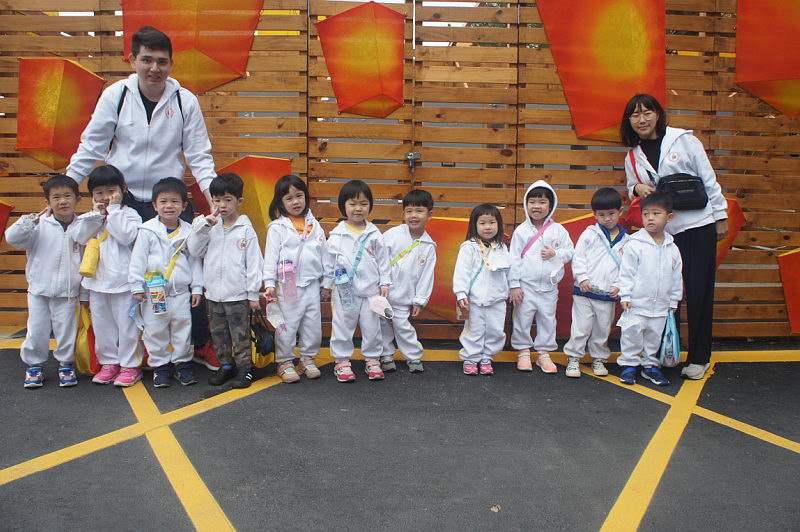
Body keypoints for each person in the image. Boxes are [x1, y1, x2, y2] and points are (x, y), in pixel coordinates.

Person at [65, 25, 217, 369]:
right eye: (147, 60)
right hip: (124, 200)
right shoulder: (116, 96)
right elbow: (91, 146)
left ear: (171, 64)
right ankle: (132, 351)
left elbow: (199, 156)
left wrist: (214, 197)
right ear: (132, 59)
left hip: (169, 200)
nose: (154, 68)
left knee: (188, 272)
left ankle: (199, 343)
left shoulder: (185, 101)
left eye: (162, 61)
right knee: (125, 279)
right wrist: (68, 188)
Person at [621, 93, 728, 380]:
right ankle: (668, 352)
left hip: (698, 225)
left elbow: (708, 178)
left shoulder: (684, 141)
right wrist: (635, 189)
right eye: (635, 115)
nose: (642, 120)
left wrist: (720, 216)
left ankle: (699, 357)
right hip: (664, 235)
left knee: (699, 291)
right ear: (629, 121)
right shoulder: (632, 156)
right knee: (666, 293)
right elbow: (633, 187)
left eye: (647, 113)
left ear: (657, 114)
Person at [6, 175, 83, 388]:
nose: (62, 201)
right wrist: (27, 222)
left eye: (67, 196)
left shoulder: (81, 227)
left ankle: (66, 364)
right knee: (37, 331)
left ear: (77, 199)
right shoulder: (38, 225)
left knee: (66, 331)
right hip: (39, 290)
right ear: (47, 202)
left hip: (68, 292)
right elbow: (12, 238)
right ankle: (34, 366)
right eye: (56, 197)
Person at [70, 165, 144, 387]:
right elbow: (79, 237)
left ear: (123, 189)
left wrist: (113, 211)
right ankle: (109, 362)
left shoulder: (129, 214)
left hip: (124, 283)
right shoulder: (91, 217)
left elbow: (127, 237)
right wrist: (96, 215)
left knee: (128, 326)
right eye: (99, 192)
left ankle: (130, 365)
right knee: (103, 326)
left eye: (111, 191)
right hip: (97, 283)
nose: (105, 197)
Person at [187, 173, 262, 389]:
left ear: (239, 201)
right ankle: (226, 365)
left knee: (240, 334)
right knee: (218, 333)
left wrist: (253, 294)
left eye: (228, 200)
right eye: (217, 200)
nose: (222, 205)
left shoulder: (246, 230)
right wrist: (204, 227)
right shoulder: (209, 226)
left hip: (237, 294)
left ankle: (245, 368)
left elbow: (254, 264)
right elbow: (195, 250)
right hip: (214, 294)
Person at [129, 178, 203, 387]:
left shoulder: (189, 231)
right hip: (154, 292)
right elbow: (137, 260)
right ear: (154, 205)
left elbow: (194, 261)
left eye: (174, 201)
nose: (169, 206)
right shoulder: (147, 231)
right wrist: (136, 287)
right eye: (163, 201)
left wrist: (197, 288)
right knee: (155, 330)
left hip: (181, 293)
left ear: (184, 205)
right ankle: (160, 366)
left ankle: (182, 364)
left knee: (182, 329)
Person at [322, 180, 391, 383]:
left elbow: (383, 261)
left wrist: (385, 283)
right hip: (344, 291)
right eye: (352, 204)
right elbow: (328, 263)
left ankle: (372, 359)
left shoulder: (375, 234)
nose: (358, 208)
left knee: (372, 327)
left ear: (370, 206)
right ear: (343, 206)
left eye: (363, 204)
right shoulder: (336, 236)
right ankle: (342, 361)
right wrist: (326, 285)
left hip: (371, 291)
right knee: (342, 325)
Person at [613, 192, 682, 386]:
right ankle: (628, 365)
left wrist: (674, 300)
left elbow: (676, 276)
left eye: (656, 213)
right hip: (636, 303)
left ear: (669, 217)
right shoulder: (635, 244)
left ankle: (650, 365)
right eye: (645, 214)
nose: (650, 218)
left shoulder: (672, 248)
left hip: (661, 306)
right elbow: (626, 272)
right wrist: (625, 295)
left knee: (654, 337)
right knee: (632, 334)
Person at [262, 175, 326, 384]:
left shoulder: (315, 225)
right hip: (287, 286)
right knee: (286, 325)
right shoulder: (277, 227)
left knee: (312, 325)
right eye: (289, 198)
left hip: (312, 284)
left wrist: (327, 282)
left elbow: (324, 255)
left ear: (306, 197)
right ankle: (285, 361)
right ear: (280, 202)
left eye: (299, 196)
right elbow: (270, 257)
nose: (295, 202)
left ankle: (307, 358)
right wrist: (269, 284)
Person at [508, 181, 574, 374]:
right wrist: (514, 285)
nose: (537, 206)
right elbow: (513, 259)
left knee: (547, 320)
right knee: (522, 319)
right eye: (532, 202)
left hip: (549, 287)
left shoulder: (558, 230)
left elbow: (570, 251)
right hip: (525, 287)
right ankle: (523, 351)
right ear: (526, 204)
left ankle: (543, 353)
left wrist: (556, 253)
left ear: (551, 205)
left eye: (542, 202)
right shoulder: (521, 231)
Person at [563, 187, 629, 378]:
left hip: (608, 294)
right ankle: (574, 358)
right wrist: (582, 278)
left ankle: (599, 359)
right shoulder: (589, 234)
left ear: (620, 212)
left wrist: (619, 286)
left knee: (603, 329)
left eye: (611, 213)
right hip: (584, 291)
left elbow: (628, 268)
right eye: (601, 214)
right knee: (580, 327)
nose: (607, 219)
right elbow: (579, 257)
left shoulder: (627, 241)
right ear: (594, 214)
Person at [379, 189, 437, 374]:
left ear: (429, 215)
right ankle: (386, 355)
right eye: (409, 211)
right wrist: (381, 283)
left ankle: (413, 356)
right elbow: (379, 260)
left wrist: (420, 300)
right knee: (382, 325)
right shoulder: (392, 235)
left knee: (402, 326)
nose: (413, 215)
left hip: (404, 296)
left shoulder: (429, 246)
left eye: (419, 211)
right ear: (403, 213)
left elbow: (426, 276)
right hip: (383, 292)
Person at [453, 203, 511, 376]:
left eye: (492, 222)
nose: (487, 227)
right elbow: (461, 271)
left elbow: (509, 270)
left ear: (498, 225)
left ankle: (487, 357)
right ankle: (471, 358)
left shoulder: (502, 247)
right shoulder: (468, 247)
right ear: (474, 225)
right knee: (474, 330)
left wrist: (511, 289)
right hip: (475, 300)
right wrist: (461, 293)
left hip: (497, 299)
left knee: (495, 330)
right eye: (483, 223)